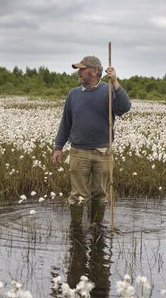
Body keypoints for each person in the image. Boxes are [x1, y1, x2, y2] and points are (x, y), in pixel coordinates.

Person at [52, 55, 131, 224]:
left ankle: (96, 228)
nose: (79, 73)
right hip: (78, 152)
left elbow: (124, 107)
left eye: (82, 69)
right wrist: (58, 147)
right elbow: (66, 122)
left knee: (100, 194)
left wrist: (115, 82)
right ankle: (77, 230)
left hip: (103, 152)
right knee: (77, 195)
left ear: (94, 71)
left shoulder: (109, 91)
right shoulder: (73, 94)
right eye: (78, 69)